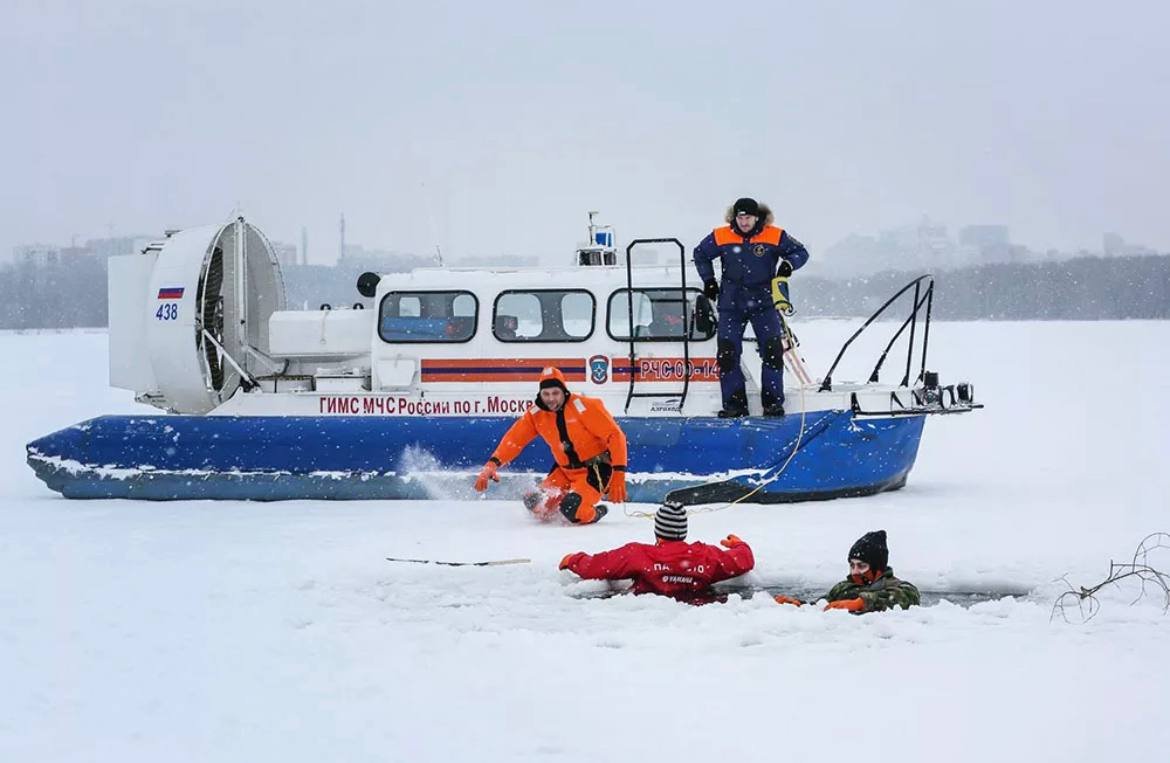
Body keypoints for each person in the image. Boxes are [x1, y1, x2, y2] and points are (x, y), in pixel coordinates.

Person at [693, 197, 809, 417]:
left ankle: (772, 404)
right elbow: (700, 254)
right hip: (731, 304)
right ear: (734, 217)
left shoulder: (774, 235)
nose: (744, 222)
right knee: (727, 354)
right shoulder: (721, 235)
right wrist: (709, 280)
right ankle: (735, 405)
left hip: (764, 303)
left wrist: (787, 265)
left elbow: (800, 253)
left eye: (748, 218)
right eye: (740, 217)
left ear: (757, 218)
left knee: (772, 352)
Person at [474, 366, 628, 524]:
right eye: (546, 394)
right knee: (534, 502)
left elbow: (616, 436)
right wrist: (492, 464)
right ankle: (568, 499)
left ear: (564, 391)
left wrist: (619, 473)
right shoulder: (535, 414)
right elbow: (514, 441)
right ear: (540, 394)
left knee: (572, 509)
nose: (551, 399)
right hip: (564, 471)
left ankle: (596, 513)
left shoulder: (585, 406)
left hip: (594, 470)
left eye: (555, 393)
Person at [558, 501, 755, 603]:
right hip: (699, 614)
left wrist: (573, 560)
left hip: (646, 613)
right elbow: (743, 561)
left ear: (658, 532)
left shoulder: (638, 554)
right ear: (683, 531)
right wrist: (739, 545)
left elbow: (597, 566)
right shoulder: (706, 555)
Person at [773, 530, 921, 613]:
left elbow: (908, 597)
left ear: (878, 568)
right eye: (852, 565)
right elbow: (822, 606)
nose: (855, 571)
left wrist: (860, 602)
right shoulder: (842, 588)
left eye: (862, 566)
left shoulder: (897, 587)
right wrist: (799, 604)